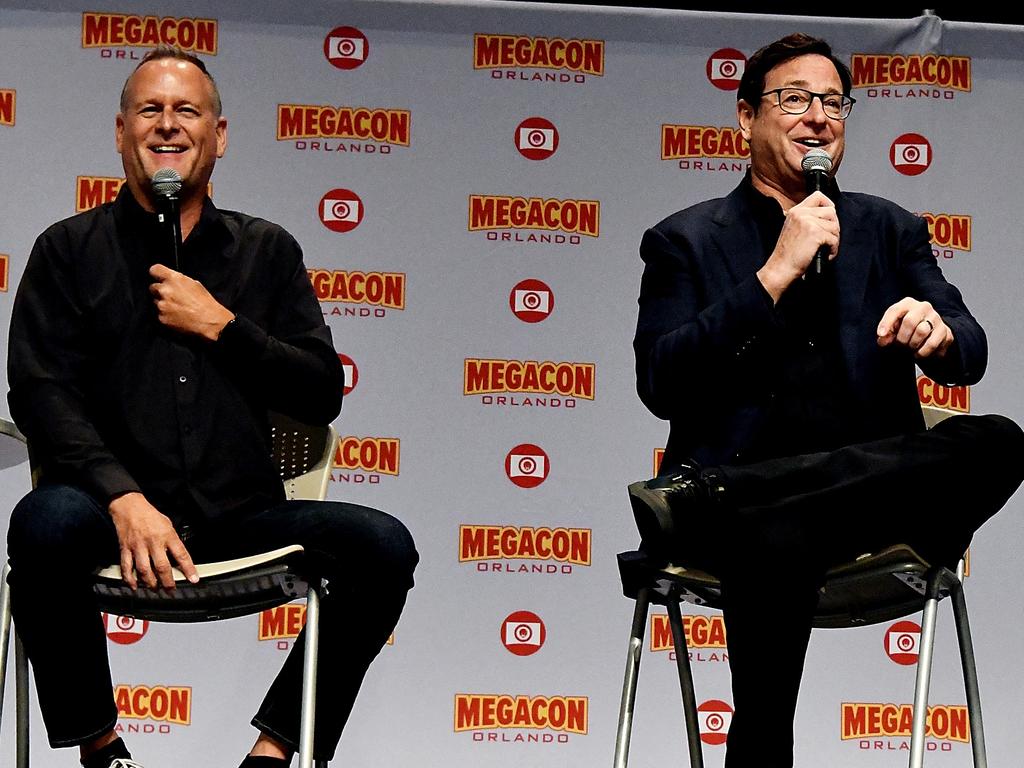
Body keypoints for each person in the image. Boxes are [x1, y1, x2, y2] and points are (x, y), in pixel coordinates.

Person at [5, 47, 417, 768]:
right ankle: (102, 750)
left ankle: (272, 754)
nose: (168, 126)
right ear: (121, 131)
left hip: (240, 518)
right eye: (150, 110)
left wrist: (222, 326)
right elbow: (40, 394)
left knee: (382, 546)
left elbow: (320, 392)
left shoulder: (267, 252)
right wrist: (122, 496)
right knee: (40, 522)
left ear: (218, 135)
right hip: (112, 519)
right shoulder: (68, 251)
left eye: (186, 111)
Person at [627, 32, 1024, 768]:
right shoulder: (684, 241)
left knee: (1000, 437)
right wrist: (771, 275)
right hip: (752, 533)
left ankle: (737, 496)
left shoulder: (888, 229)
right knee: (778, 536)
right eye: (794, 99)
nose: (818, 117)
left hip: (858, 500)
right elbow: (661, 380)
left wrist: (937, 334)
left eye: (833, 102)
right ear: (745, 119)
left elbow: (971, 352)